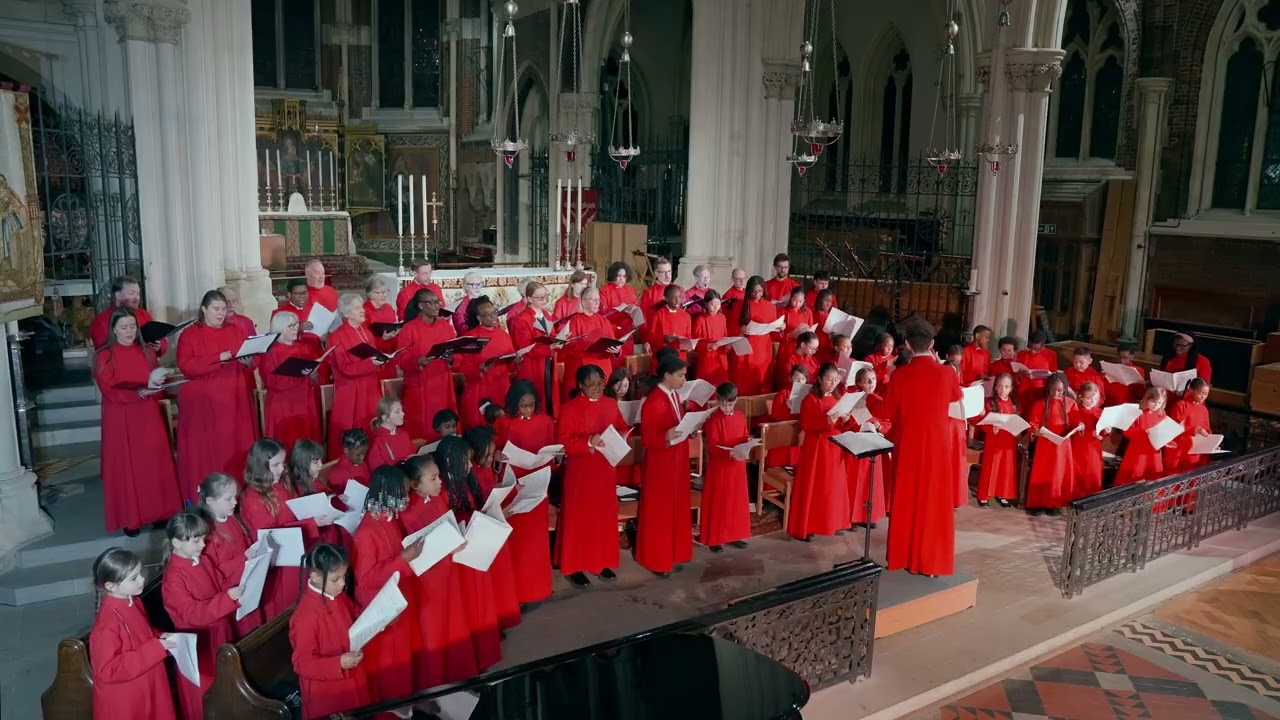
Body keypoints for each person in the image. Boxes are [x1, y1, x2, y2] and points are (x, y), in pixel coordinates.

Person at [880, 316, 962, 576]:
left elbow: (888, 412)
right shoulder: (947, 372)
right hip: (938, 446)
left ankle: (904, 556)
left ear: (906, 344)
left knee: (907, 501)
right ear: (933, 344)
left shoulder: (900, 375)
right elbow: (956, 396)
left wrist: (869, 399)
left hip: (908, 445)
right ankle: (931, 561)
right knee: (933, 502)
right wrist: (939, 365)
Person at [93, 307, 182, 535]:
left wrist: (165, 383)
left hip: (147, 414)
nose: (129, 331)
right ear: (114, 329)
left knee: (153, 463)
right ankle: (130, 518)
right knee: (127, 467)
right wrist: (139, 393)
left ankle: (159, 512)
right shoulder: (104, 355)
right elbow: (108, 390)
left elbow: (156, 384)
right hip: (120, 417)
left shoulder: (146, 351)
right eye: (124, 327)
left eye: (133, 326)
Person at [396, 454, 474, 687]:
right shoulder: (407, 512)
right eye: (433, 478)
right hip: (427, 581)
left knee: (455, 621)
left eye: (438, 476)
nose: (440, 482)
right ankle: (437, 682)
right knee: (434, 632)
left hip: (447, 571)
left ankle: (459, 673)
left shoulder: (438, 498)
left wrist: (455, 540)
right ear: (415, 484)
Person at [350, 465, 423, 711]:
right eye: (401, 493)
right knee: (390, 666)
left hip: (396, 595)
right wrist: (403, 559)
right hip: (380, 604)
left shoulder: (387, 517)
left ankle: (405, 703)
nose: (406, 497)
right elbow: (366, 578)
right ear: (386, 493)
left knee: (402, 659)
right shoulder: (366, 531)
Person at [240, 438, 336, 621]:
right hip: (281, 568)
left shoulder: (281, 483)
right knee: (290, 613)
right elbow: (271, 536)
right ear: (260, 466)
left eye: (282, 463)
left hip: (299, 554)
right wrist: (311, 523)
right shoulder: (253, 498)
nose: (282, 469)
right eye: (275, 465)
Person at [177, 290, 259, 500]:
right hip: (205, 401)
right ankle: (209, 497)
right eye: (216, 309)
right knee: (209, 450)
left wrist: (249, 362)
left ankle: (237, 496)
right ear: (204, 309)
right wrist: (217, 358)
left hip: (235, 396)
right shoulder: (190, 334)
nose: (221, 313)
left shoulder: (236, 330)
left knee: (235, 445)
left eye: (223, 309)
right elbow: (186, 366)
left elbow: (249, 361)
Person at [161, 512, 241, 720]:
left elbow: (219, 584)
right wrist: (227, 599)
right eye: (196, 540)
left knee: (226, 686)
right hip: (200, 645)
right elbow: (192, 614)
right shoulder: (174, 578)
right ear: (176, 542)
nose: (202, 545)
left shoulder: (202, 559)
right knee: (206, 697)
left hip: (219, 632)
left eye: (203, 539)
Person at [434, 436, 502, 670]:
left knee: (480, 602)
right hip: (458, 556)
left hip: (474, 546)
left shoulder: (465, 480)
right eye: (466, 461)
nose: (471, 466)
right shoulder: (441, 489)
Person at [556, 365, 626, 586]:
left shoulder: (611, 404)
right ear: (580, 385)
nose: (597, 388)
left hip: (605, 468)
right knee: (579, 518)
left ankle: (601, 561)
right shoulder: (569, 409)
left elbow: (622, 427)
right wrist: (588, 441)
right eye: (591, 384)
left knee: (603, 517)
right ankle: (574, 565)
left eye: (600, 384)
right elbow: (564, 442)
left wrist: (622, 436)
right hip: (581, 471)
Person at [89, 547, 178, 720]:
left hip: (147, 681)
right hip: (127, 697)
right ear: (111, 586)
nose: (142, 580)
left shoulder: (133, 600)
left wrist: (158, 636)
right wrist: (155, 648)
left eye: (140, 573)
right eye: (134, 578)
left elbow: (141, 634)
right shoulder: (106, 626)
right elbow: (108, 670)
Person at [492, 381, 556, 604]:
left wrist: (555, 457)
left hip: (537, 484)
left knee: (536, 543)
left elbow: (551, 449)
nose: (528, 409)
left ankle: (538, 589)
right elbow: (495, 451)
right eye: (523, 405)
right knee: (519, 543)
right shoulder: (504, 423)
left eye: (531, 405)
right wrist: (498, 456)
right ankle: (517, 592)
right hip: (515, 487)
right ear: (513, 404)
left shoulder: (546, 421)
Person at [290, 543, 369, 720]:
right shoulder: (305, 616)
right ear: (315, 576)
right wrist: (338, 663)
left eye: (344, 576)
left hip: (350, 677)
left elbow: (353, 612)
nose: (342, 584)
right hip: (329, 693)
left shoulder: (335, 593)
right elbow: (302, 664)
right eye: (335, 579)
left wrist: (376, 616)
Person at [635, 355, 694, 576]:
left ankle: (673, 552)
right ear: (667, 376)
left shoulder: (674, 396)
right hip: (661, 463)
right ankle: (656, 559)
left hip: (676, 460)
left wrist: (690, 427)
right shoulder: (653, 401)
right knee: (659, 511)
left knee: (675, 507)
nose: (684, 379)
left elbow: (677, 426)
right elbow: (648, 439)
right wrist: (665, 435)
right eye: (680, 375)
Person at [463, 425, 521, 630]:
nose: (490, 459)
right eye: (487, 455)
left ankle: (502, 616)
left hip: (496, 525)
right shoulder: (469, 474)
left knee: (501, 576)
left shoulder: (486, 468)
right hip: (484, 532)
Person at [786, 363, 851, 540]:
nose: (832, 383)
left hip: (834, 447)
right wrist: (828, 420)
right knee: (814, 488)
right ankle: (808, 527)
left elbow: (841, 424)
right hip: (816, 448)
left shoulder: (838, 398)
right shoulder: (810, 400)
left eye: (835, 379)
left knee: (832, 488)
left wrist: (845, 419)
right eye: (829, 379)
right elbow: (807, 425)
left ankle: (833, 522)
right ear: (820, 379)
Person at [196, 472, 263, 636]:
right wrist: (244, 557)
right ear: (210, 501)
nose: (235, 502)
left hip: (248, 582)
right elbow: (216, 571)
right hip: (233, 592)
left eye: (235, 497)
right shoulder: (208, 533)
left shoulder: (233, 518)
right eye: (228, 499)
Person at [396, 288, 459, 442]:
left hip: (442, 383)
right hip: (421, 385)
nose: (437, 305)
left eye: (437, 302)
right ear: (421, 306)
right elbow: (401, 359)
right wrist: (417, 362)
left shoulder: (446, 327)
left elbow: (457, 353)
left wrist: (452, 359)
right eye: (431, 303)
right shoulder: (409, 329)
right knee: (424, 432)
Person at [328, 293, 387, 454]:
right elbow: (343, 368)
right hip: (350, 391)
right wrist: (369, 363)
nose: (362, 310)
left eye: (361, 306)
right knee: (352, 431)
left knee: (372, 426)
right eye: (356, 308)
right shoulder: (336, 336)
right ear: (346, 314)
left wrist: (380, 360)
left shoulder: (366, 332)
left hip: (369, 388)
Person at [259, 311, 324, 455]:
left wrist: (313, 374)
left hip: (304, 400)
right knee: (287, 441)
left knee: (306, 438)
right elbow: (271, 381)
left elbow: (313, 375)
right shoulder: (270, 351)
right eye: (291, 326)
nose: (296, 328)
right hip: (283, 404)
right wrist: (300, 375)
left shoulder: (303, 348)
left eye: (296, 325)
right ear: (280, 328)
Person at [700, 382, 752, 551]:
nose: (726, 407)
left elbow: (744, 435)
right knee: (720, 503)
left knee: (735, 503)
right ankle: (714, 539)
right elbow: (713, 447)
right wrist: (728, 453)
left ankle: (733, 535)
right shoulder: (713, 420)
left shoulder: (740, 416)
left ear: (735, 401)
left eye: (729, 404)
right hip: (721, 467)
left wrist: (749, 443)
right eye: (722, 403)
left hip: (736, 466)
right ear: (717, 401)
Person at [458, 295, 516, 429]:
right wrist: (479, 369)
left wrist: (516, 360)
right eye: (488, 314)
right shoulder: (471, 337)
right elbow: (463, 365)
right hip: (480, 389)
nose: (493, 317)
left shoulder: (504, 336)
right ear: (479, 318)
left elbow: (511, 364)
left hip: (501, 386)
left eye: (494, 312)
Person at [1026, 374, 1079, 516]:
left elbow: (1076, 422)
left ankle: (1054, 504)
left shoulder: (1071, 404)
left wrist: (1079, 426)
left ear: (1065, 390)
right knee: (1041, 473)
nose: (1056, 393)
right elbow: (1033, 422)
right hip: (1045, 443)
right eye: (1053, 390)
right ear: (1048, 389)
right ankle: (1037, 504)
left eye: (1060, 390)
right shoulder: (1040, 404)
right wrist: (1035, 430)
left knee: (1058, 474)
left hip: (1062, 445)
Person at [509, 281, 564, 416]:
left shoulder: (546, 315)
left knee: (550, 397)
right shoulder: (522, 319)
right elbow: (525, 346)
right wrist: (549, 346)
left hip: (548, 362)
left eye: (545, 296)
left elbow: (552, 335)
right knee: (537, 398)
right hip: (533, 365)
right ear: (528, 299)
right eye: (539, 297)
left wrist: (560, 339)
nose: (544, 300)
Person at [847, 368, 889, 528]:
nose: (871, 383)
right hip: (856, 445)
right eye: (867, 380)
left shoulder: (878, 400)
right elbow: (848, 420)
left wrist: (880, 426)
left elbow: (887, 421)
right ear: (859, 383)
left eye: (873, 379)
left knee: (869, 482)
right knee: (853, 481)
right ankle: (851, 516)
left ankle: (866, 516)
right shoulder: (852, 400)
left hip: (872, 444)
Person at [560, 287, 617, 402]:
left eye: (598, 299)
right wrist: (586, 344)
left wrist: (616, 349)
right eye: (593, 299)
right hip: (581, 367)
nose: (597, 303)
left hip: (602, 367)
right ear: (583, 301)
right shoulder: (574, 321)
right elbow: (566, 347)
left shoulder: (603, 321)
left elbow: (612, 341)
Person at [974, 373, 1020, 507]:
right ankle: (984, 495)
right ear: (995, 387)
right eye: (999, 386)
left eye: (1006, 386)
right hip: (994, 439)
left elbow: (1016, 420)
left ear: (1011, 389)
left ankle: (1002, 493)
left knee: (1005, 468)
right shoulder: (990, 403)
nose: (1002, 389)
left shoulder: (1014, 405)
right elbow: (983, 421)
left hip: (1008, 441)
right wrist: (991, 428)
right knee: (990, 467)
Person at [88, 276, 165, 353]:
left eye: (138, 294)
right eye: (132, 293)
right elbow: (102, 350)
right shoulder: (100, 321)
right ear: (117, 295)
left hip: (148, 362)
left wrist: (158, 347)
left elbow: (161, 339)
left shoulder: (144, 315)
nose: (137, 298)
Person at [732, 276, 778, 394]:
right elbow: (731, 327)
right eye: (753, 291)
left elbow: (773, 327)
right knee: (745, 378)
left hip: (763, 347)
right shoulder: (740, 305)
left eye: (760, 291)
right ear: (749, 290)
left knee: (762, 375)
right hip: (747, 345)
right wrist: (741, 329)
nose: (757, 294)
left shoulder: (771, 306)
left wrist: (779, 327)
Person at [1115, 387, 1169, 486]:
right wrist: (1143, 431)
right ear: (1147, 399)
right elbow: (1127, 432)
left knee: (1152, 479)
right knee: (1135, 477)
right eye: (1154, 402)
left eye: (1160, 403)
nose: (1156, 405)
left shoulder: (1163, 416)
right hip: (1137, 452)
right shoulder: (1138, 413)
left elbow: (1165, 433)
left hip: (1154, 453)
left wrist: (1167, 441)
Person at [1165, 378, 1212, 473]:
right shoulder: (1181, 405)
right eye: (1200, 393)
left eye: (1206, 394)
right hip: (1180, 448)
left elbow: (1207, 429)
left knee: (1192, 477)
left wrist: (1211, 441)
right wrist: (1195, 430)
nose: (1203, 396)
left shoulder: (1204, 409)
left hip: (1196, 449)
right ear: (1191, 390)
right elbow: (1175, 427)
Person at [766, 365, 808, 471]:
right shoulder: (783, 394)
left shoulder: (808, 395)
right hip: (782, 435)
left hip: (799, 435)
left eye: (803, 379)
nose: (800, 381)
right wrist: (787, 408)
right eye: (797, 378)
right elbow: (775, 416)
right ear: (790, 378)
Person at [1071, 381, 1107, 499]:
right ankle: (1076, 498)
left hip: (1094, 447)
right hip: (1080, 446)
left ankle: (1091, 499)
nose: (1092, 401)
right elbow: (1075, 429)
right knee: (1079, 471)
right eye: (1089, 398)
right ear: (1081, 397)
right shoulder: (1076, 411)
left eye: (1095, 398)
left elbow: (1102, 432)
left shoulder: (1100, 412)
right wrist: (1090, 432)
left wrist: (1106, 430)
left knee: (1093, 472)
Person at [599, 261, 640, 358]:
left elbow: (636, 307)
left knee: (626, 360)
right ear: (613, 275)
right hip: (612, 330)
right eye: (619, 276)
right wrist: (619, 310)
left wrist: (633, 311)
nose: (622, 279)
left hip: (627, 330)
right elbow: (603, 312)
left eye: (624, 276)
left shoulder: (630, 290)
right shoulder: (605, 290)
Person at [363, 275, 400, 381]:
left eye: (386, 292)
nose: (384, 295)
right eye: (380, 292)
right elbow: (363, 337)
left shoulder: (388, 308)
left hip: (390, 354)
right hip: (375, 356)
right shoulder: (364, 311)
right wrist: (382, 340)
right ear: (370, 294)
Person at [1016, 330, 1059, 418]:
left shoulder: (1051, 355)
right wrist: (1021, 373)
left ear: (1043, 346)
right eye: (1030, 347)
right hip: (1024, 389)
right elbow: (1017, 372)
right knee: (1021, 413)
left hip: (1041, 389)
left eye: (1036, 349)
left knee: (1036, 413)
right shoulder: (1022, 354)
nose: (1032, 351)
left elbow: (1054, 374)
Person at [691, 290, 730, 386]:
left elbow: (725, 336)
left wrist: (728, 344)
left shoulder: (722, 318)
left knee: (721, 386)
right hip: (707, 358)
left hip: (721, 357)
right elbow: (694, 343)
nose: (716, 306)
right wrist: (708, 345)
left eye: (718, 303)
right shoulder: (700, 320)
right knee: (706, 386)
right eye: (712, 304)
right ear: (706, 304)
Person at [645, 283, 693, 360]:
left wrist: (688, 344)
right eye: (674, 297)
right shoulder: (659, 314)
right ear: (666, 298)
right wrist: (664, 339)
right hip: (663, 355)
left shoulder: (686, 316)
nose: (677, 300)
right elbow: (651, 336)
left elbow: (689, 336)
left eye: (679, 297)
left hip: (681, 355)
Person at [366, 397, 415, 468]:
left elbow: (412, 453)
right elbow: (379, 471)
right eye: (397, 412)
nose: (403, 413)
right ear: (385, 418)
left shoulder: (404, 434)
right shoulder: (376, 441)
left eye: (402, 410)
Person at [326, 429, 371, 496]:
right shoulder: (337, 474)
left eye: (365, 453)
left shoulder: (361, 463)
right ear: (346, 450)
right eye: (358, 454)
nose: (362, 457)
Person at [640, 257, 678, 325]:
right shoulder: (649, 294)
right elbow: (643, 318)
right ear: (656, 273)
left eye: (669, 272)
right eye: (663, 272)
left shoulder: (678, 290)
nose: (667, 276)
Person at [722, 267, 748, 335]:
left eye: (744, 278)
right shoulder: (728, 295)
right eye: (738, 279)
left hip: (746, 329)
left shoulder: (748, 292)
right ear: (732, 279)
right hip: (734, 330)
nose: (742, 281)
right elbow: (724, 318)